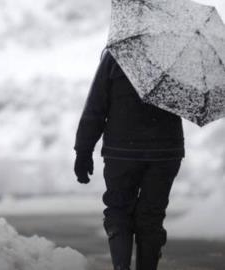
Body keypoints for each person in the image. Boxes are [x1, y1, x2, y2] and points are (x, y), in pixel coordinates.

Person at [73, 49, 185, 270]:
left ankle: (121, 267)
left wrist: (83, 151)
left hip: (122, 150)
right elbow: (188, 101)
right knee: (151, 217)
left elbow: (97, 105)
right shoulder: (179, 54)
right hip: (165, 151)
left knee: (118, 211)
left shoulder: (117, 53)